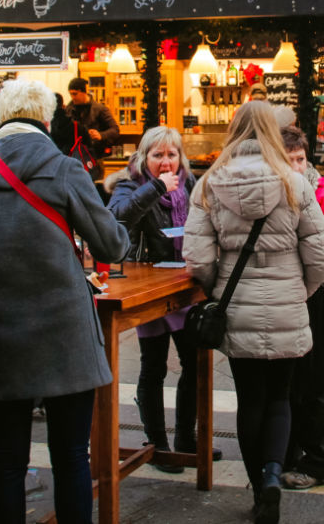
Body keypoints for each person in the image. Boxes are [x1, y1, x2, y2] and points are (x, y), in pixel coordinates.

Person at [0, 79, 130, 524]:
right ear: (46, 120)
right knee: (71, 455)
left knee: (6, 459)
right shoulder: (65, 169)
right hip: (65, 334)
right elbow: (112, 246)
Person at [183, 100, 324, 524]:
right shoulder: (294, 182)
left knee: (250, 398)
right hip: (287, 297)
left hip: (237, 301)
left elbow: (196, 256)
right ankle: (272, 474)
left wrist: (217, 290)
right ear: (271, 130)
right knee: (281, 396)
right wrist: (301, 290)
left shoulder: (210, 184)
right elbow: (319, 252)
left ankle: (256, 484)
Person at [106, 125, 219, 473]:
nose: (165, 162)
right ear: (144, 158)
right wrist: (155, 189)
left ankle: (187, 438)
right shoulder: (130, 185)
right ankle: (157, 443)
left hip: (184, 286)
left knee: (193, 362)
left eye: (171, 154)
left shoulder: (190, 185)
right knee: (153, 367)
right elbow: (115, 217)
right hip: (150, 288)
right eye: (157, 155)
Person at [280, 125, 324, 492]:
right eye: (288, 160)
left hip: (316, 298)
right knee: (289, 384)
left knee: (311, 384)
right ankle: (288, 455)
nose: (296, 167)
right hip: (286, 298)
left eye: (300, 159)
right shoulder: (275, 193)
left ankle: (318, 463)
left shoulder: (323, 195)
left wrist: (302, 259)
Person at [66, 76, 119, 179]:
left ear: (84, 92)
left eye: (75, 94)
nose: (72, 97)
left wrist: (101, 135)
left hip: (95, 158)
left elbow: (115, 130)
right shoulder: (69, 110)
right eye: (71, 94)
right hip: (74, 159)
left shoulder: (100, 109)